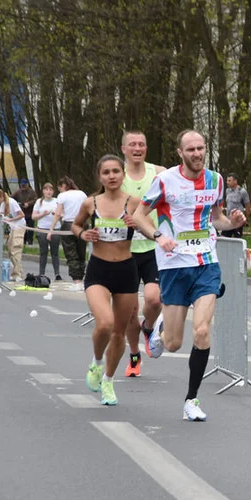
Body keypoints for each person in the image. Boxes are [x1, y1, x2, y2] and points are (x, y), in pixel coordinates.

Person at [132, 129, 248, 422]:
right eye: (191, 149)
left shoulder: (216, 180)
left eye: (201, 148)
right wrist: (159, 236)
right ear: (180, 153)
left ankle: (191, 400)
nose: (197, 154)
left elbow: (217, 218)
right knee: (173, 344)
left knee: (202, 331)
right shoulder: (165, 181)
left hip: (207, 263)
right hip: (173, 266)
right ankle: (156, 330)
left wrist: (231, 222)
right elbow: (139, 216)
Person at [73, 155, 141, 406]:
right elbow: (75, 226)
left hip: (126, 269)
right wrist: (83, 233)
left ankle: (109, 382)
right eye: (106, 172)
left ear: (123, 175)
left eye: (115, 171)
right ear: (99, 176)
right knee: (104, 324)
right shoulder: (90, 203)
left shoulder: (134, 203)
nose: (111, 176)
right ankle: (97, 363)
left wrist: (138, 223)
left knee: (119, 334)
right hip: (99, 270)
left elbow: (150, 227)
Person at [119, 129, 166, 378]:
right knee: (128, 310)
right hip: (125, 250)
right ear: (124, 148)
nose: (137, 148)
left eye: (142, 144)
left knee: (154, 299)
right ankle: (135, 355)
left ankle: (148, 328)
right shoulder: (117, 174)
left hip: (152, 247)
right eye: (132, 144)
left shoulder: (159, 173)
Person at [50, 176, 89, 290]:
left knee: (71, 253)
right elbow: (86, 208)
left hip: (68, 225)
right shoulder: (82, 194)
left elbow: (58, 213)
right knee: (81, 252)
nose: (59, 191)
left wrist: (52, 228)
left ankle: (76, 281)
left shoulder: (62, 196)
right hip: (82, 224)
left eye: (59, 188)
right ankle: (81, 279)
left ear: (63, 186)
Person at [0, 189, 27, 281]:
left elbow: (21, 215)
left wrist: (11, 220)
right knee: (10, 249)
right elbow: (0, 215)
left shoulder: (12, 202)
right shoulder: (3, 204)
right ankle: (17, 271)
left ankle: (18, 274)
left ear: (0, 197)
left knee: (15, 249)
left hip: (19, 226)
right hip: (13, 228)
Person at [31, 182, 62, 281]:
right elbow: (33, 217)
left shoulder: (57, 201)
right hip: (42, 229)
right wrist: (43, 214)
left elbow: (63, 215)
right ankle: (41, 273)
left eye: (51, 190)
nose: (48, 192)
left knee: (55, 252)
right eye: (46, 189)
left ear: (53, 191)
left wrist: (56, 214)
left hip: (55, 229)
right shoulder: (39, 202)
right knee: (43, 252)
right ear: (43, 191)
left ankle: (57, 274)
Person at [222, 173, 251, 238]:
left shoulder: (242, 192)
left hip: (238, 221)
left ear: (235, 181)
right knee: (224, 238)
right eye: (227, 180)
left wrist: (245, 218)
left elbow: (248, 206)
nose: (227, 182)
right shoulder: (227, 191)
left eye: (229, 181)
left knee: (237, 240)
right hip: (228, 220)